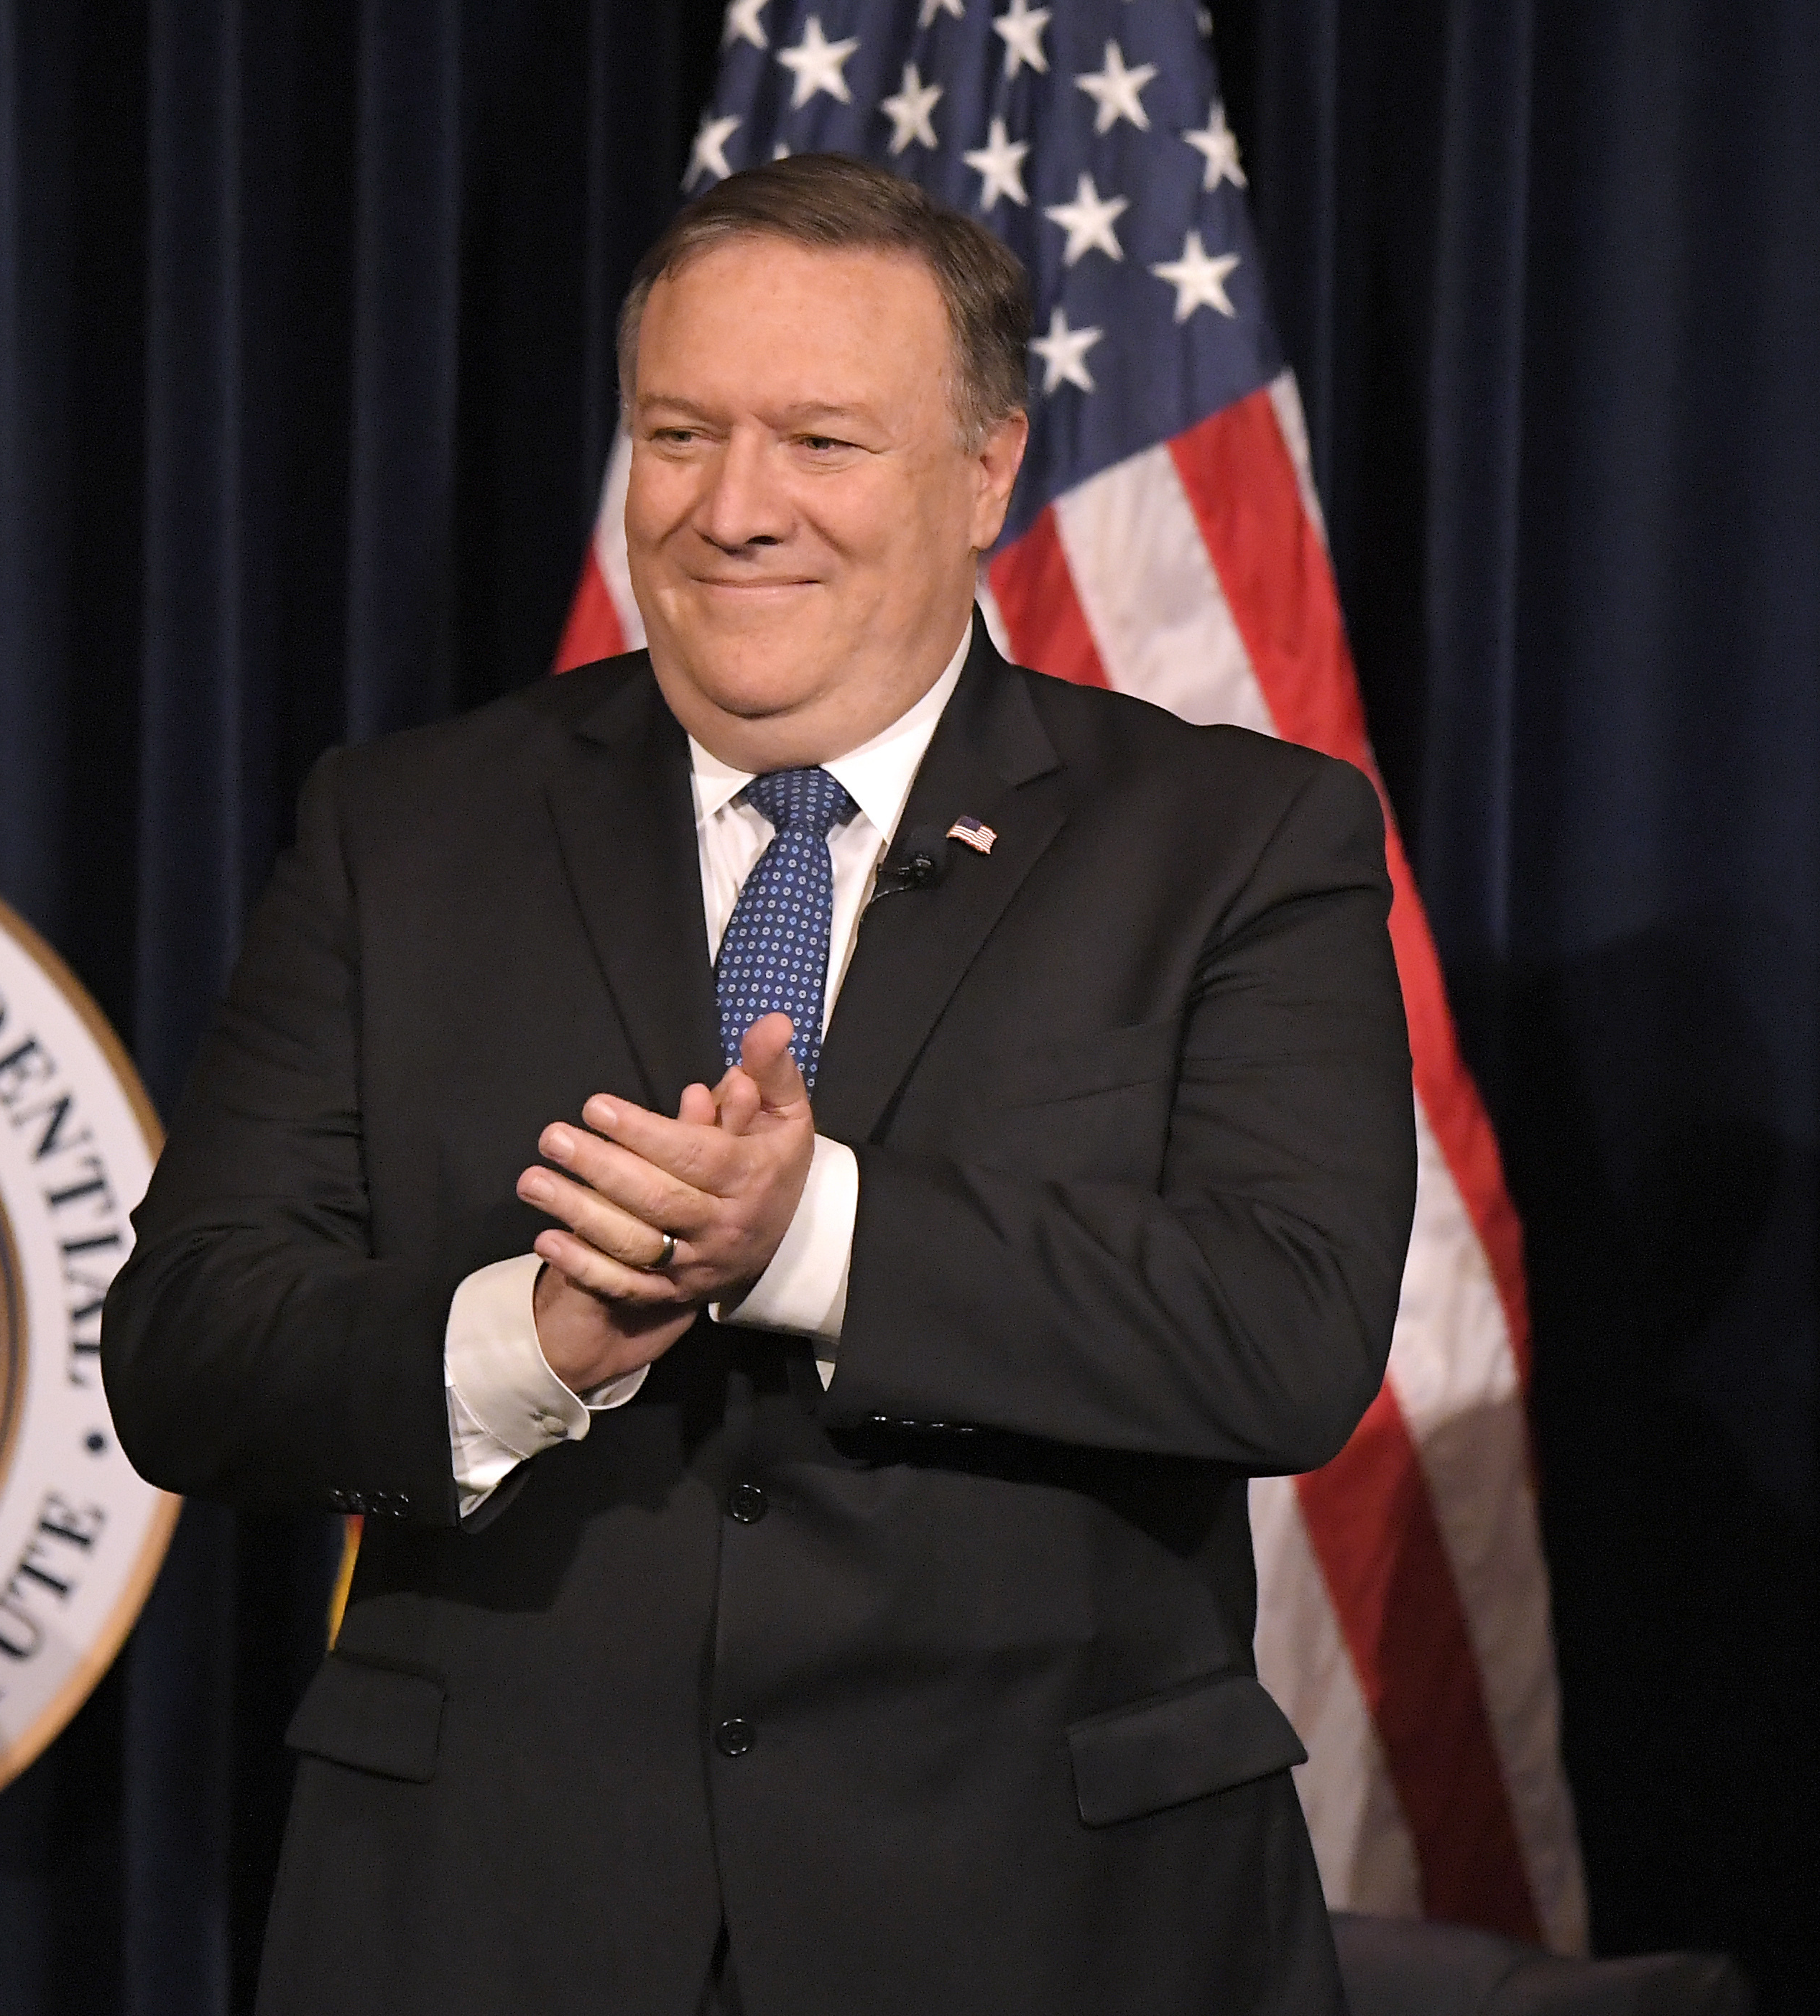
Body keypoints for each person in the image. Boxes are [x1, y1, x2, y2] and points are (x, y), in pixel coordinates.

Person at [102, 154, 1414, 2016]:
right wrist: (529, 1342)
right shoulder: (403, 829)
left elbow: (1284, 1332)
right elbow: (188, 1352)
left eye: (819, 441)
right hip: (491, 1921)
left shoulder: (1233, 838)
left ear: (985, 471)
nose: (733, 509)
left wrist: (814, 1240)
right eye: (679, 434)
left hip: (1046, 1924)